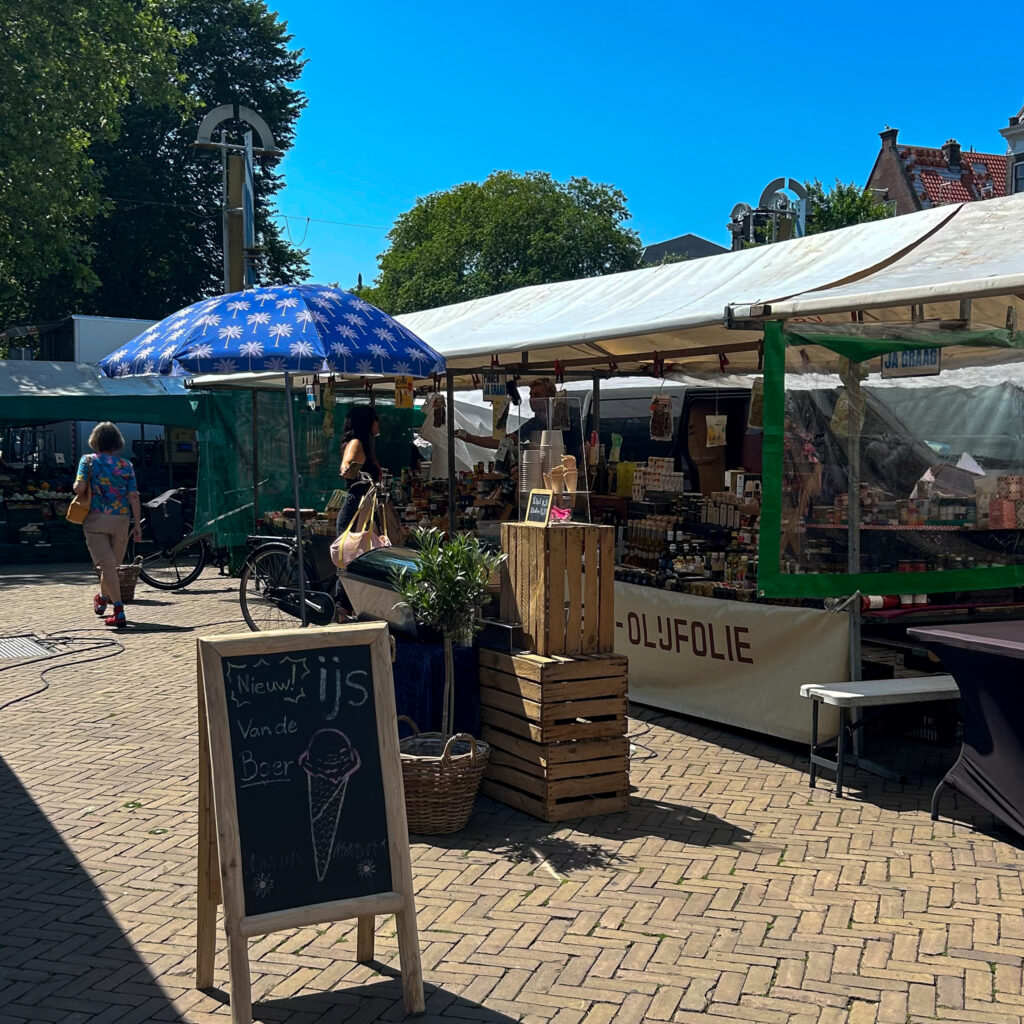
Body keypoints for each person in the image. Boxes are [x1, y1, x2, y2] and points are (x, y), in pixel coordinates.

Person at [74, 422, 143, 628]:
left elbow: (79, 488)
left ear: (96, 440)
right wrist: (137, 525)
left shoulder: (87, 461)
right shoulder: (126, 465)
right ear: (117, 442)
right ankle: (103, 599)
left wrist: (81, 485)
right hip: (122, 519)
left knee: (106, 565)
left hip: (96, 518)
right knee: (112, 565)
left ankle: (119, 610)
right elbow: (133, 495)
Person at [335, 405, 381, 535]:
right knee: (352, 550)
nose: (378, 423)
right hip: (357, 505)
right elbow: (346, 463)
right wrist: (347, 470)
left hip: (365, 504)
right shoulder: (356, 443)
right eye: (375, 419)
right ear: (367, 422)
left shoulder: (367, 445)